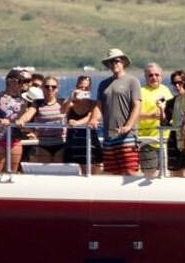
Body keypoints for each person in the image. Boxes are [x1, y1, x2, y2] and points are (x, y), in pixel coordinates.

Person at [95, 48, 143, 176]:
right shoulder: (103, 84)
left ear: (123, 62)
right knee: (112, 174)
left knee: (130, 172)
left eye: (116, 61)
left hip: (127, 137)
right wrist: (93, 120)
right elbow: (98, 107)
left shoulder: (132, 81)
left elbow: (137, 106)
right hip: (108, 136)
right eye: (111, 62)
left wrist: (128, 126)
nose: (114, 64)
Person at [135, 62, 170, 177]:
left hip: (164, 140)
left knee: (163, 174)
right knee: (150, 175)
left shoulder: (166, 90)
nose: (154, 77)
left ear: (161, 76)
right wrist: (151, 116)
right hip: (147, 140)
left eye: (157, 75)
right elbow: (134, 115)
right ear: (145, 77)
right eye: (150, 75)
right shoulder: (140, 92)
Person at [27, 75, 67, 164]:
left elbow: (76, 109)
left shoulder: (62, 102)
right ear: (42, 88)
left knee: (58, 169)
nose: (50, 89)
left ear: (57, 88)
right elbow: (27, 116)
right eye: (47, 86)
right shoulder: (37, 103)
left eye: (53, 87)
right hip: (43, 143)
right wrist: (22, 122)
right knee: (45, 168)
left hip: (60, 143)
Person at [62, 74, 97, 171]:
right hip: (73, 141)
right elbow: (63, 111)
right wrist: (71, 97)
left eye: (86, 88)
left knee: (92, 169)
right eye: (81, 87)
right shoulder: (71, 103)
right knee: (71, 170)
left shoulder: (93, 103)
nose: (83, 90)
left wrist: (77, 123)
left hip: (89, 140)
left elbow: (90, 117)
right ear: (76, 87)